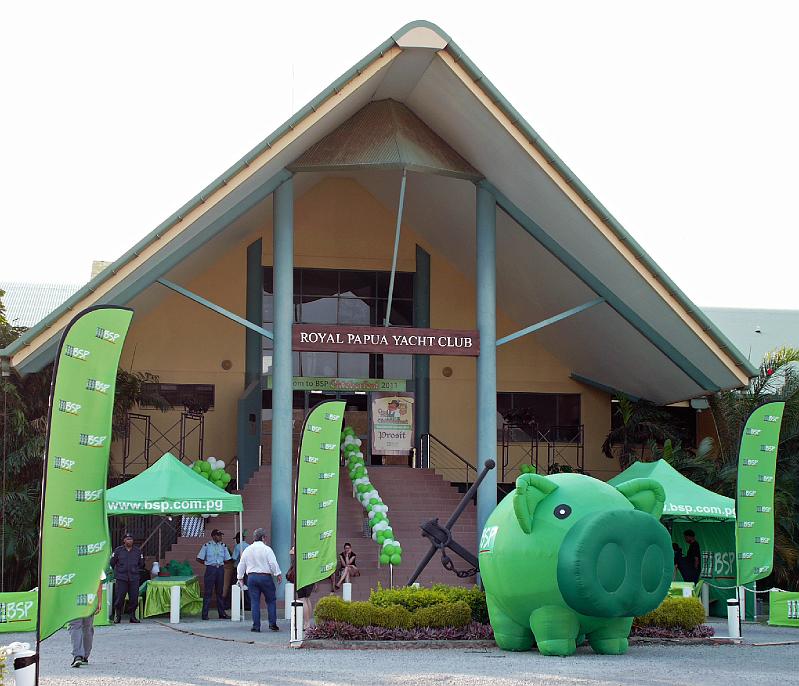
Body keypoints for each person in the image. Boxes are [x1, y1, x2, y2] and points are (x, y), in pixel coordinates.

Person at [236, 528, 282, 633]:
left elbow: (241, 564)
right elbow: (273, 563)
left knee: (254, 602)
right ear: (263, 538)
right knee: (271, 600)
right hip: (265, 577)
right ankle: (272, 624)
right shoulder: (267, 549)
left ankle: (256, 626)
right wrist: (278, 574)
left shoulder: (247, 549)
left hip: (252, 577)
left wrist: (240, 577)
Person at [69, 576, 104, 668]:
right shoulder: (94, 562)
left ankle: (78, 656)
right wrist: (99, 601)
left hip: (73, 598)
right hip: (90, 600)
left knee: (75, 626)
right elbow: (99, 581)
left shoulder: (70, 562)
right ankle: (84, 656)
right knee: (87, 628)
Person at [110, 533, 144, 623]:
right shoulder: (118, 550)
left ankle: (132, 617)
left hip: (134, 578)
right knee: (119, 598)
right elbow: (112, 563)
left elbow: (142, 564)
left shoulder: (137, 551)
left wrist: (136, 569)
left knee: (134, 598)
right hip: (121, 578)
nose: (130, 541)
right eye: (128, 539)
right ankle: (118, 616)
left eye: (131, 539)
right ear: (124, 540)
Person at [197, 528, 231, 620]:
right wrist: (207, 563)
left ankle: (222, 613)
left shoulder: (223, 546)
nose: (220, 537)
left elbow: (227, 559)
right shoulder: (207, 546)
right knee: (208, 592)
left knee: (220, 592)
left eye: (220, 535)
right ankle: (205, 614)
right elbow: (199, 558)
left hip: (220, 569)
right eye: (218, 535)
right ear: (213, 536)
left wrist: (225, 563)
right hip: (210, 569)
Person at [287, 547, 314, 623]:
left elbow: (291, 552)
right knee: (307, 598)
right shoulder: (308, 551)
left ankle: (306, 623)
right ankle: (308, 621)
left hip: (301, 578)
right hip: (310, 577)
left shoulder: (298, 548)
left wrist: (294, 550)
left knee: (302, 599)